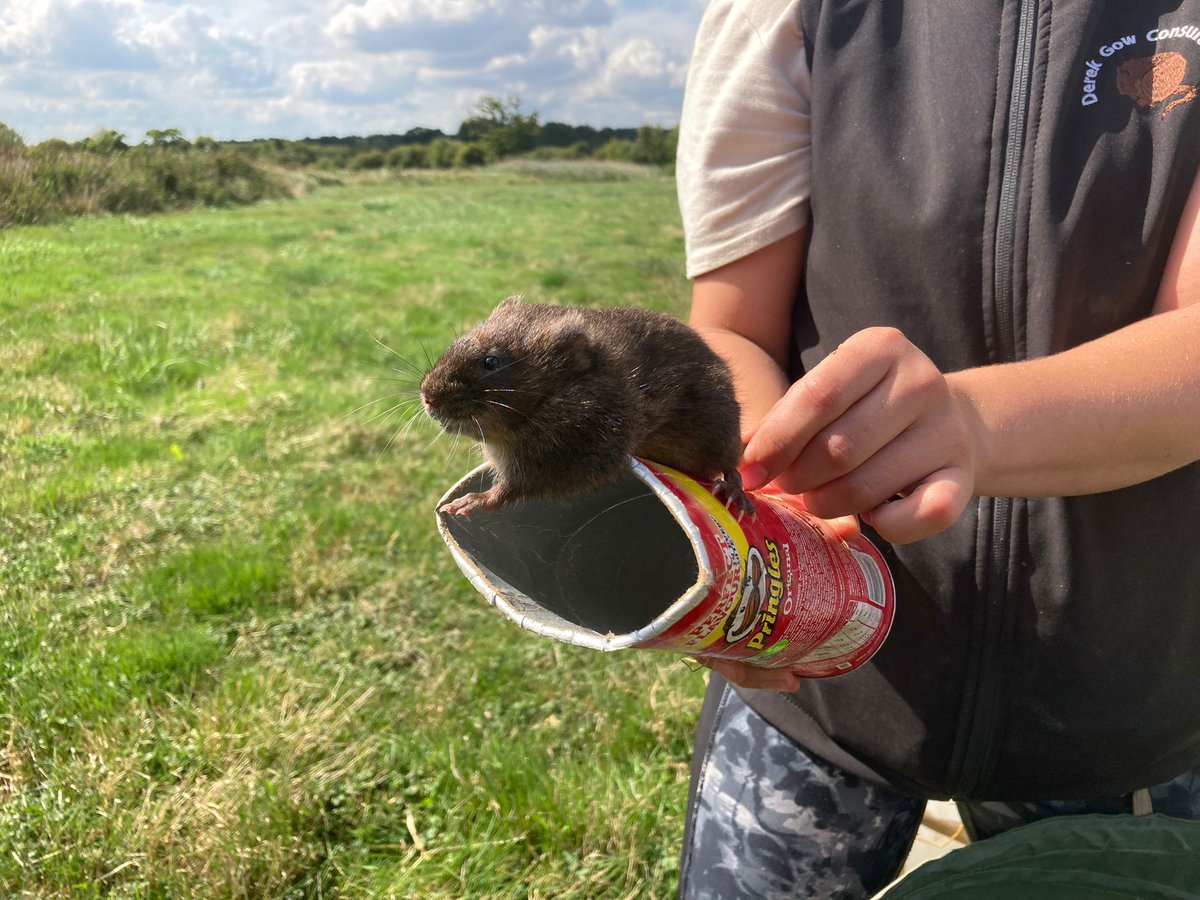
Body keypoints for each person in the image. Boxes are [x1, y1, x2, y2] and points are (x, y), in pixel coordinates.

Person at [674, 1, 1200, 897]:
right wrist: (773, 545)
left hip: (1122, 709)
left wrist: (976, 423)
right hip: (813, 702)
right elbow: (732, 331)